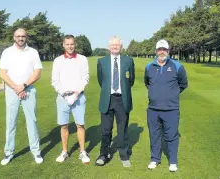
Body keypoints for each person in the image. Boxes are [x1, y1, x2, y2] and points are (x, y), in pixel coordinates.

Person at [0, 28, 43, 165]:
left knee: (32, 121)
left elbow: (37, 73)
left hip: (28, 89)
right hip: (12, 91)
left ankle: (36, 152)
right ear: (14, 37)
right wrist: (16, 88)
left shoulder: (33, 52)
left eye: (23, 36)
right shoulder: (7, 52)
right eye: (18, 36)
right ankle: (8, 153)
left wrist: (23, 86)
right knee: (11, 122)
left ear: (26, 37)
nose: (20, 38)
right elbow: (3, 74)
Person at [144, 39, 188, 172]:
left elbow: (183, 84)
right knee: (154, 135)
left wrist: (171, 94)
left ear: (168, 51)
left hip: (171, 109)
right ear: (156, 51)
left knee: (171, 135)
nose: (162, 52)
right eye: (159, 49)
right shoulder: (149, 67)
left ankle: (173, 161)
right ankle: (155, 159)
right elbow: (147, 83)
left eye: (164, 49)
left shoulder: (177, 66)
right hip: (153, 109)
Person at [95, 36, 135, 167]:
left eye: (117, 44)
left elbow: (131, 80)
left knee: (122, 129)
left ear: (121, 47)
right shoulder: (102, 61)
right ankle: (103, 154)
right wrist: (109, 91)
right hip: (108, 99)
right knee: (106, 130)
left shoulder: (128, 61)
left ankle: (124, 155)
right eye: (112, 44)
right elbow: (101, 81)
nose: (114, 46)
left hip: (122, 100)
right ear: (108, 47)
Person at [51, 34, 90, 164]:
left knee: (80, 124)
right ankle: (64, 151)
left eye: (72, 44)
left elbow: (85, 78)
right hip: (63, 97)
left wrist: (76, 94)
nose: (69, 46)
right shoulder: (58, 60)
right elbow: (55, 81)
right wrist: (65, 95)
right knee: (64, 126)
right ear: (63, 45)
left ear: (75, 45)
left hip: (79, 96)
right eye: (67, 44)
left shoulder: (82, 59)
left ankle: (82, 152)